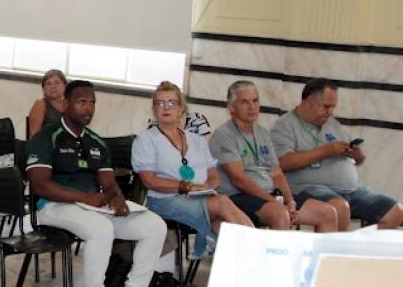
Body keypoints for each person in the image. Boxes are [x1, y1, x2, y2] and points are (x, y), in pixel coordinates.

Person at [27, 80, 167, 287]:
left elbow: (108, 182)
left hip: (91, 208)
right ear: (66, 104)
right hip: (53, 207)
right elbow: (40, 185)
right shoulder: (47, 137)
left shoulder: (96, 141)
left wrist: (117, 199)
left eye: (92, 103)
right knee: (101, 229)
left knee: (154, 226)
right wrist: (83, 199)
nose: (88, 108)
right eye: (82, 102)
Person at [132, 81, 251, 261]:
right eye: (160, 103)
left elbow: (213, 173)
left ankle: (240, 269)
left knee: (223, 226)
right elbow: (150, 181)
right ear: (154, 109)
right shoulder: (146, 140)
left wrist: (208, 186)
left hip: (200, 197)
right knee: (222, 203)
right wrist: (185, 187)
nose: (166, 107)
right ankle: (259, 249)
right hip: (165, 200)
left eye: (172, 103)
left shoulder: (197, 140)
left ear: (181, 108)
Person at [209, 80, 342, 232]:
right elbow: (239, 180)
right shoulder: (223, 135)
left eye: (255, 101)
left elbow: (277, 173)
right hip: (239, 196)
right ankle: (277, 255)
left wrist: (290, 200)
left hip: (270, 195)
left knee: (328, 213)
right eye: (244, 102)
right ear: (231, 107)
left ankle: (322, 256)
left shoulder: (263, 133)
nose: (252, 107)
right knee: (281, 214)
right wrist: (275, 202)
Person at [271, 78, 403, 230]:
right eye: (326, 106)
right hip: (307, 188)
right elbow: (283, 163)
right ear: (309, 100)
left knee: (395, 212)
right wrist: (324, 151)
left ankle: (364, 250)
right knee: (339, 207)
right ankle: (336, 252)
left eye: (333, 107)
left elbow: (357, 158)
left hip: (350, 190)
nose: (330, 112)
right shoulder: (285, 125)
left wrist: (356, 155)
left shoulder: (332, 124)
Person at [27, 69, 66, 137]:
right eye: (48, 84)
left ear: (64, 86)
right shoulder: (40, 104)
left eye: (57, 83)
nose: (53, 87)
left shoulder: (70, 105)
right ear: (44, 89)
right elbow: (34, 137)